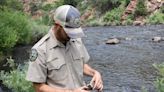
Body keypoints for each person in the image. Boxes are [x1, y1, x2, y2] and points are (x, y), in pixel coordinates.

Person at [26, 5, 103, 92]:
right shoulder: (40, 50)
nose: (71, 36)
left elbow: (81, 65)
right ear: (57, 25)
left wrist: (95, 73)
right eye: (69, 32)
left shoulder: (76, 40)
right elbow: (39, 87)